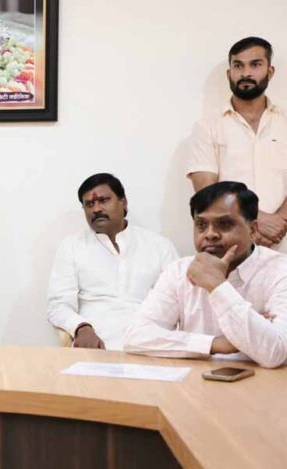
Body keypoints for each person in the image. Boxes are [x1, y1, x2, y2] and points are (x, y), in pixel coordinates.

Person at [124, 182, 287, 368]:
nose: (210, 234)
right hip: (195, 380)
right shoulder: (179, 271)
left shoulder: (280, 271)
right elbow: (135, 336)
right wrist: (215, 344)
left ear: (253, 229)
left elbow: (275, 353)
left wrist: (217, 286)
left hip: (264, 383)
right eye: (201, 225)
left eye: (224, 224)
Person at [46, 173, 177, 350]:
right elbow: (58, 305)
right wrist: (80, 327)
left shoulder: (159, 246)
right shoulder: (72, 247)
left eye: (103, 200)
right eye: (89, 204)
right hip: (96, 345)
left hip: (152, 344)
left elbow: (179, 300)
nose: (96, 209)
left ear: (123, 202)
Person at [184, 36, 287, 252]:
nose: (246, 73)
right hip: (229, 245)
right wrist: (256, 221)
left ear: (270, 71)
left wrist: (280, 223)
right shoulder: (207, 127)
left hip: (283, 241)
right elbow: (207, 193)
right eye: (238, 66)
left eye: (255, 65)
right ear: (229, 73)